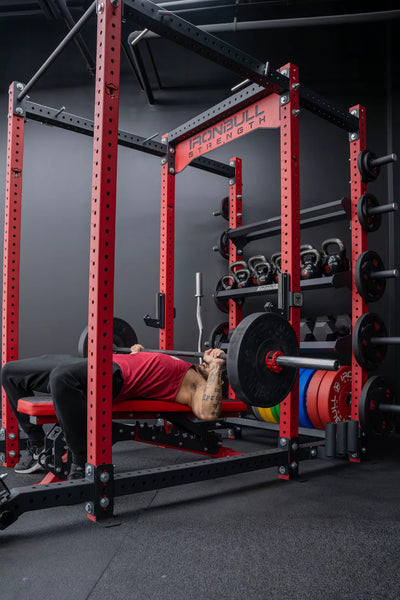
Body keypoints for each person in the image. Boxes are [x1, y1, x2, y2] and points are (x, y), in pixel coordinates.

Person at [1, 346, 225, 479]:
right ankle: (38, 446)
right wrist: (139, 352)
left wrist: (215, 366)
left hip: (115, 376)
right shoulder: (179, 362)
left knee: (61, 377)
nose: (205, 359)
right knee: (10, 372)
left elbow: (209, 412)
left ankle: (80, 461)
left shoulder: (195, 382)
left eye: (209, 363)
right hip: (98, 362)